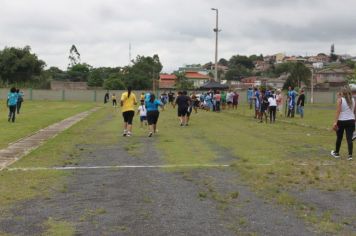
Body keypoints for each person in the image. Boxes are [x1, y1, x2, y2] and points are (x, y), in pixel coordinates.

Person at [331, 86, 355, 161]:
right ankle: (350, 155)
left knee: (339, 137)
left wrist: (335, 122)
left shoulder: (340, 100)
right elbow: (354, 111)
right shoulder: (353, 100)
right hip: (351, 120)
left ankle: (336, 153)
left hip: (341, 121)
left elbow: (338, 111)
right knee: (349, 138)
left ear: (342, 93)